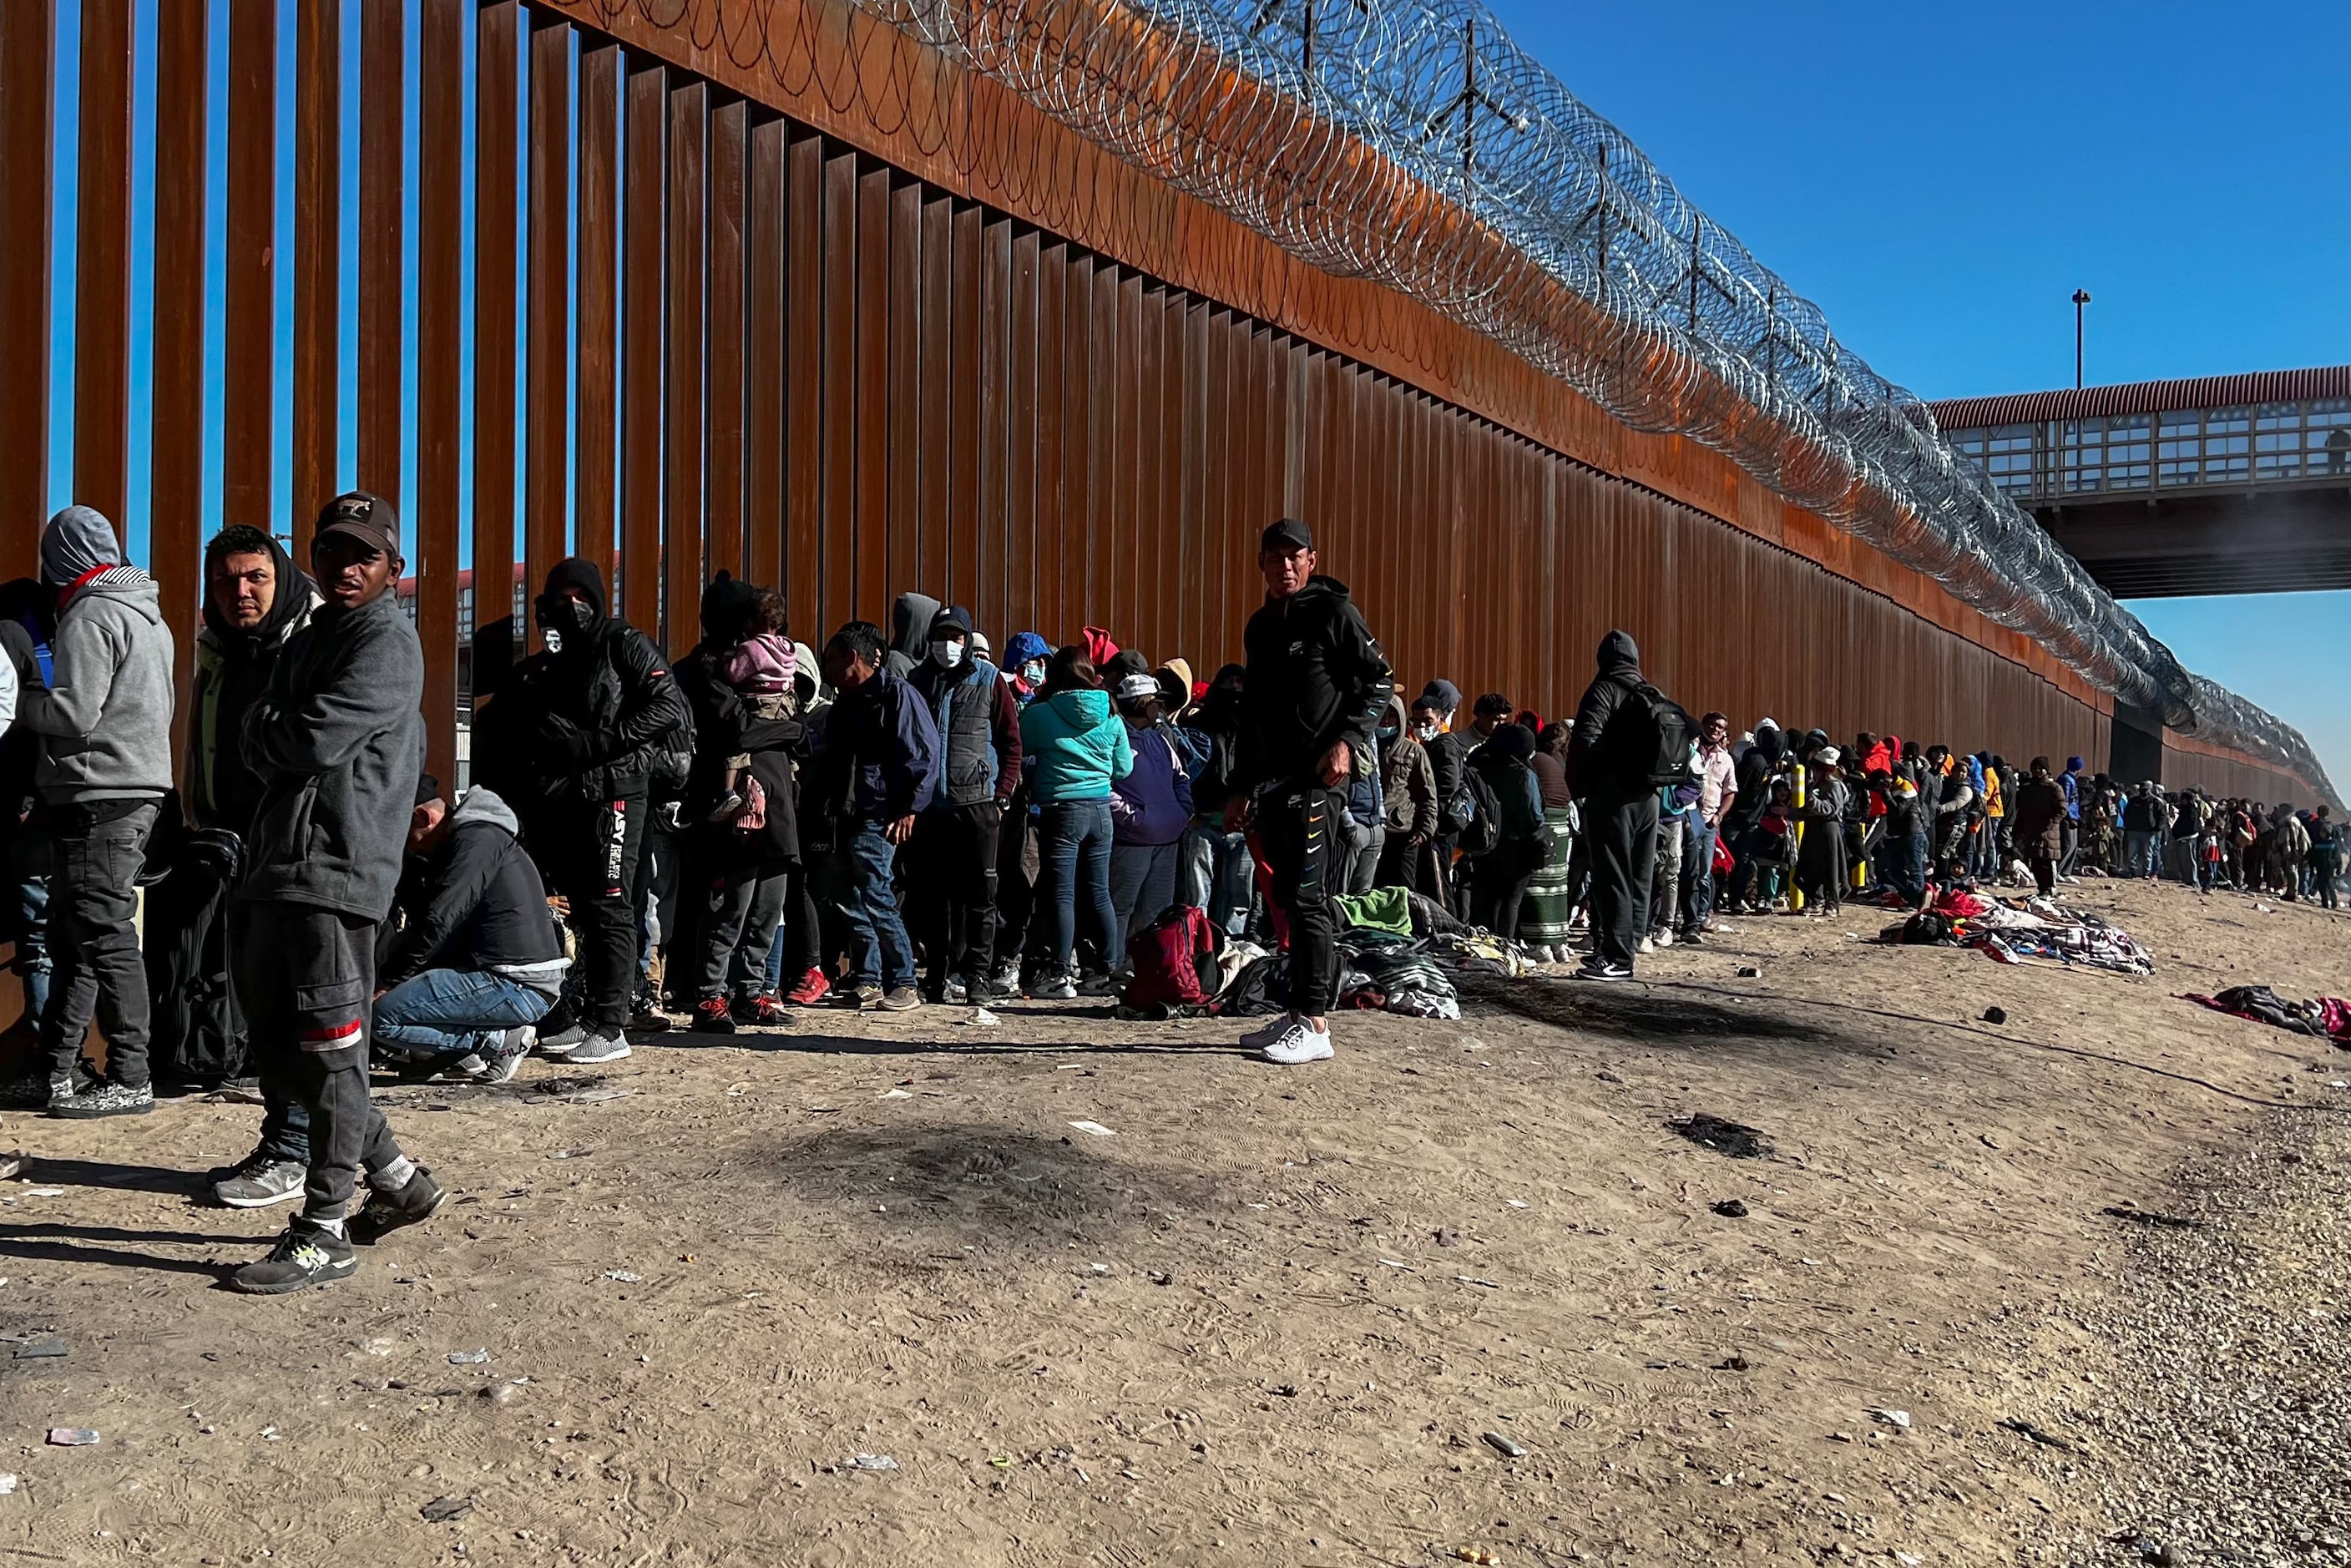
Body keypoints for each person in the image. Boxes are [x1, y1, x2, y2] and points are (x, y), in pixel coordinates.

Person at [225, 490, 436, 1293]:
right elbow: (264, 735)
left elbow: (308, 736)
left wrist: (272, 729)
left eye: (364, 556)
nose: (346, 568)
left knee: (330, 1050)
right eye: (333, 553)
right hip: (282, 865)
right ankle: (399, 1179)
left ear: (392, 567)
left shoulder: (387, 642)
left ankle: (324, 1227)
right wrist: (272, 730)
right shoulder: (315, 636)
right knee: (285, 1050)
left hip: (338, 871)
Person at [480, 558, 690, 1065]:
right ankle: (593, 1013)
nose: (571, 605)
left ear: (596, 598)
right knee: (589, 906)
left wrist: (600, 743)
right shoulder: (558, 659)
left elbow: (668, 706)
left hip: (619, 788)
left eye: (580, 594)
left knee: (613, 903)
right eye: (560, 596)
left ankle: (612, 1023)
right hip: (574, 797)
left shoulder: (623, 642)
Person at [150, 526, 320, 1100]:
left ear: (282, 578)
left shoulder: (314, 641)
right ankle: (228, 1052)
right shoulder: (217, 648)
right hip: (228, 832)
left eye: (255, 577)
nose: (239, 591)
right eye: (225, 580)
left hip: (298, 837)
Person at [17, 507, 174, 1119]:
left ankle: (131, 1074)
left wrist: (24, 702)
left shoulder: (89, 615)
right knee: (77, 936)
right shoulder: (147, 615)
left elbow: (74, 714)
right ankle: (54, 1072)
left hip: (97, 793)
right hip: (133, 791)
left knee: (103, 935)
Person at [1227, 518, 1393, 1063]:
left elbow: (1380, 680)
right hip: (1273, 784)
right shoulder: (1261, 625)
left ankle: (1318, 1025)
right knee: (1284, 900)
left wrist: (1347, 740)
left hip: (1322, 782)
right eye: (1276, 558)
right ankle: (1298, 1013)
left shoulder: (1333, 612)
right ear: (1263, 565)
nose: (1286, 567)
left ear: (1312, 561)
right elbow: (1252, 713)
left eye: (1296, 557)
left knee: (1308, 898)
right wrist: (1241, 785)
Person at [670, 577, 810, 1031]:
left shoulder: (760, 657)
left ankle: (754, 990)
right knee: (731, 906)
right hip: (736, 807)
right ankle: (711, 995)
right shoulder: (708, 665)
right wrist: (788, 729)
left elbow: (797, 729)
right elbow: (738, 732)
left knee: (769, 905)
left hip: (778, 802)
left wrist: (788, 730)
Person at [372, 781, 568, 1081]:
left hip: (515, 983)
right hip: (508, 974)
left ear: (423, 818)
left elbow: (439, 920)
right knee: (399, 991)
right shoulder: (477, 838)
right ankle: (462, 1055)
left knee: (379, 1016)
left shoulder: (476, 841)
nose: (404, 847)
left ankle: (497, 1042)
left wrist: (389, 980)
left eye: (401, 835)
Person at [812, 620, 938, 1009]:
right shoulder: (845, 704)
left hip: (879, 813)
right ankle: (867, 976)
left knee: (878, 893)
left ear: (852, 657)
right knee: (847, 895)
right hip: (844, 812)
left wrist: (910, 809)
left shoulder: (898, 695)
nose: (826, 666)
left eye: (831, 658)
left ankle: (904, 981)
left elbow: (923, 753)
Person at [906, 605, 1021, 1004]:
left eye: (956, 637)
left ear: (968, 641)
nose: (948, 645)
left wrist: (1003, 792)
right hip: (930, 807)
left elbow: (1011, 741)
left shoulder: (988, 679)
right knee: (932, 898)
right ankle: (936, 974)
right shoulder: (917, 680)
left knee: (981, 895)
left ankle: (977, 978)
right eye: (942, 637)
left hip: (978, 802)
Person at [1019, 646, 1131, 997]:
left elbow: (1019, 745)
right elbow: (1124, 768)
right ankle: (1108, 970)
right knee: (1100, 893)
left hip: (1061, 810)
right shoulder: (1111, 714)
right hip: (1101, 811)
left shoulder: (1041, 713)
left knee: (1062, 895)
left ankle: (1059, 974)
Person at [1565, 630, 1661, 979]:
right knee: (1639, 877)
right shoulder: (1650, 692)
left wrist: (1578, 787)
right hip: (1651, 798)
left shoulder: (1604, 689)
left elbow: (1584, 740)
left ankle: (1618, 959)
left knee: (1613, 877)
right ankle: (1627, 946)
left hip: (1614, 797)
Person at [1107, 671, 1195, 973]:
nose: (1160, 708)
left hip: (1167, 838)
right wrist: (1134, 818)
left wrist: (1181, 811)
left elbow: (1180, 776)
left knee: (1157, 909)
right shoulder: (1114, 736)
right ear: (1144, 705)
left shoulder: (1160, 738)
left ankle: (1146, 967)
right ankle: (1114, 965)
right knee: (1122, 906)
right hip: (1132, 841)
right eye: (1156, 702)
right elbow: (1104, 787)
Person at [1179, 664, 1253, 938]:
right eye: (1229, 681)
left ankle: (1233, 946)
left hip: (1244, 823)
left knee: (1239, 896)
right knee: (1197, 895)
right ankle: (1198, 946)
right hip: (1203, 819)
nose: (1234, 688)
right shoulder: (1198, 724)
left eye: (1240, 682)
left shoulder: (1256, 727)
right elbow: (1181, 772)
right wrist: (1189, 812)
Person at [1464, 719, 1545, 941]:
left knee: (1486, 900)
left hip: (1486, 842)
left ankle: (1484, 944)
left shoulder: (1480, 766)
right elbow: (1534, 815)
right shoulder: (1524, 774)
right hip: (1519, 845)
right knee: (1512, 901)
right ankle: (1505, 945)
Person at [1514, 721, 1575, 959]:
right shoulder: (1559, 762)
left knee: (1537, 887)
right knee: (1558, 887)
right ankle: (1558, 944)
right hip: (1563, 827)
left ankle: (1540, 945)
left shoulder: (1535, 761)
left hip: (1545, 825)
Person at [1409, 691, 1468, 908]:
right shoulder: (1431, 745)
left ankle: (1449, 932)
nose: (1421, 726)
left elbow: (1448, 786)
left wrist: (1429, 816)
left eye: (1427, 720)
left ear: (1441, 719)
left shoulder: (1443, 746)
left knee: (1439, 886)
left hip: (1440, 829)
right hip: (1436, 826)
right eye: (1416, 721)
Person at [1681, 711, 1736, 942]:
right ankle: (1683, 916)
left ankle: (1702, 915)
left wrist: (1719, 816)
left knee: (1704, 873)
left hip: (1709, 820)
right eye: (1712, 725)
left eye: (1720, 728)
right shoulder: (1689, 749)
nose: (1715, 730)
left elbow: (1730, 792)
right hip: (1688, 816)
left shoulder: (1726, 759)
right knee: (1684, 870)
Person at [1375, 696, 1438, 893]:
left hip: (1403, 831)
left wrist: (1425, 829)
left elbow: (1428, 794)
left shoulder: (1414, 751)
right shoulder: (1365, 747)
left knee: (1404, 892)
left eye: (1392, 716)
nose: (1386, 721)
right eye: (1382, 715)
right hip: (1372, 830)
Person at [1792, 746, 1848, 916]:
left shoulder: (1834, 786)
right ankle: (1814, 899)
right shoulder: (1816, 784)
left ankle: (1832, 902)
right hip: (1813, 828)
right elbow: (1807, 809)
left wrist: (1813, 803)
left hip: (1828, 829)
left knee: (1830, 867)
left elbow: (1830, 808)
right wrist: (1790, 813)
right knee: (1811, 864)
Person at [2009, 756, 2066, 897]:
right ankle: (2042, 889)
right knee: (2035, 861)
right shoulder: (2028, 789)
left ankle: (2050, 889)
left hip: (2048, 831)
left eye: (2040, 768)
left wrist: (2050, 824)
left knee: (2047, 860)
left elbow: (2062, 810)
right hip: (2031, 829)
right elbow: (2021, 810)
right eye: (2034, 769)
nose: (2037, 771)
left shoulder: (2054, 788)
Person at [2268, 801, 2309, 900]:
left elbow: (2292, 838)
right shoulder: (2286, 821)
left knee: (2291, 871)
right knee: (2288, 871)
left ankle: (2292, 893)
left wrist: (2292, 852)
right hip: (2287, 850)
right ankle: (2289, 892)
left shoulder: (2290, 821)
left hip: (2291, 851)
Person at [2308, 806, 2340, 911]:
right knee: (2325, 883)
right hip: (2326, 864)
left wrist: (2312, 866)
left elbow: (2337, 855)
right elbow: (2338, 854)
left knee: (2326, 883)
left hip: (2325, 864)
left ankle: (2330, 903)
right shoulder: (2332, 834)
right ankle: (2328, 903)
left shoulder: (2313, 826)